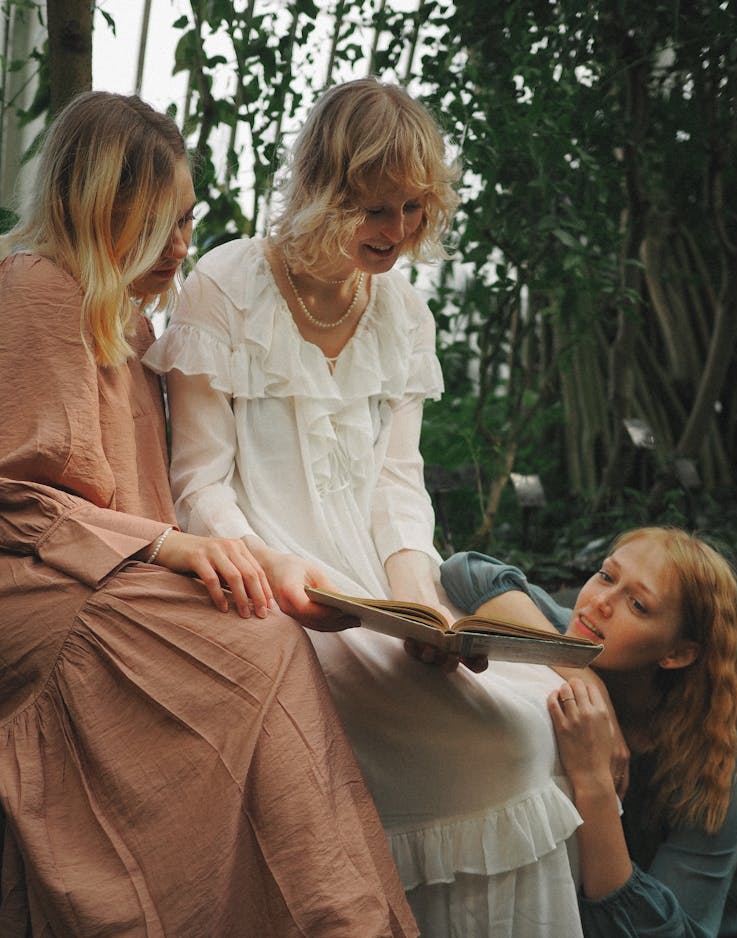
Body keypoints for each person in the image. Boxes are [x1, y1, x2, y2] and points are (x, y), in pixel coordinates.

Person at [144, 77, 585, 938]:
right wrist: (283, 573)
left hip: (383, 597)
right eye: (376, 210)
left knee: (539, 718)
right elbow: (201, 486)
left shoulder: (404, 315)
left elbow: (397, 486)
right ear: (322, 190)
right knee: (500, 751)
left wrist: (419, 605)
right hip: (278, 597)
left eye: (416, 210)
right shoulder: (225, 285)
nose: (398, 233)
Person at [0, 89, 420, 938]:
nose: (183, 249)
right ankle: (338, 920)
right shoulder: (39, 286)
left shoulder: (124, 321)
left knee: (262, 630)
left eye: (190, 223)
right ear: (98, 211)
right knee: (257, 645)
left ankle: (327, 915)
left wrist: (242, 560)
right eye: (161, 226)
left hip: (116, 572)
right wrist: (175, 548)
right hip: (43, 586)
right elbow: (18, 499)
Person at [440, 526, 737, 937]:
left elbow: (675, 933)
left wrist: (594, 782)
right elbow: (466, 570)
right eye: (606, 575)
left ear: (678, 653)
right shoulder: (574, 629)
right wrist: (581, 673)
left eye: (637, 604)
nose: (600, 602)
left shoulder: (721, 767)